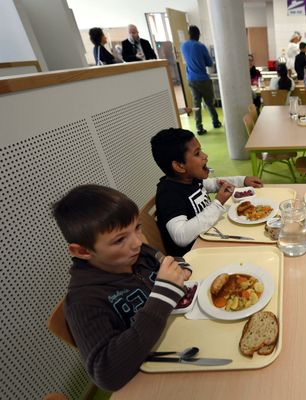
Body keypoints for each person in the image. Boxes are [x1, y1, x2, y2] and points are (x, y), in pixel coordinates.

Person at [54, 184, 191, 391]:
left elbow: (170, 261)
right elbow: (107, 374)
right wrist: (163, 296)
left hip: (180, 342)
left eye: (137, 227)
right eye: (119, 240)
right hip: (148, 380)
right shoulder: (84, 301)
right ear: (82, 251)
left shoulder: (140, 254)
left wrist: (180, 269)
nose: (137, 242)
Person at [151, 128, 263, 256]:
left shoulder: (190, 178)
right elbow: (181, 236)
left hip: (212, 236)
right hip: (196, 255)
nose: (205, 156)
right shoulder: (169, 195)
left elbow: (214, 183)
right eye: (197, 153)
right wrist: (217, 203)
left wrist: (242, 180)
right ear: (179, 166)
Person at [180, 25, 221, 135]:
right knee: (209, 103)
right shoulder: (200, 46)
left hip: (191, 79)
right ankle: (216, 122)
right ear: (198, 35)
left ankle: (199, 128)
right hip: (203, 79)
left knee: (196, 105)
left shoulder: (183, 46)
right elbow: (209, 63)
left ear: (189, 34)